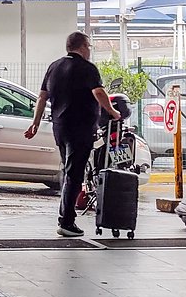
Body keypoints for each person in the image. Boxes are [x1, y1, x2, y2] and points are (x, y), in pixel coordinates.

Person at [24, 31, 120, 237]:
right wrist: (112, 112)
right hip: (81, 128)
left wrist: (35, 124)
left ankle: (65, 217)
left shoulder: (54, 67)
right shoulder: (87, 68)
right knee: (74, 175)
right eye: (89, 47)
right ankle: (66, 222)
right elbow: (99, 93)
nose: (89, 51)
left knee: (69, 172)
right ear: (83, 46)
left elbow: (42, 98)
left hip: (60, 127)